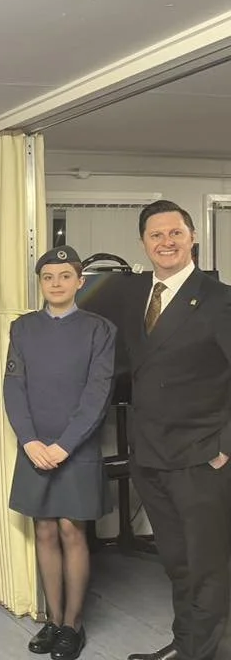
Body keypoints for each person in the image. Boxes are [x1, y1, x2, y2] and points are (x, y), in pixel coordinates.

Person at [123, 201, 231, 660]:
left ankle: (199, 653)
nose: (166, 242)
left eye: (175, 233)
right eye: (156, 235)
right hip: (150, 456)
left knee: (207, 566)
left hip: (201, 457)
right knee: (177, 563)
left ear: (192, 237)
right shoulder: (137, 298)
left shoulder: (220, 299)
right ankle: (186, 644)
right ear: (143, 243)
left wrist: (224, 447)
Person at [4, 245, 115, 660]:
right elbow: (13, 387)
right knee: (45, 530)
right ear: (40, 283)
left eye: (65, 276)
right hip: (34, 446)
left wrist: (65, 445)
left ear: (79, 281)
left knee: (72, 530)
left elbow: (97, 394)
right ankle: (52, 620)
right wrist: (30, 441)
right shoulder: (22, 328)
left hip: (76, 446)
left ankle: (73, 624)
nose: (56, 283)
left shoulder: (100, 329)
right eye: (48, 277)